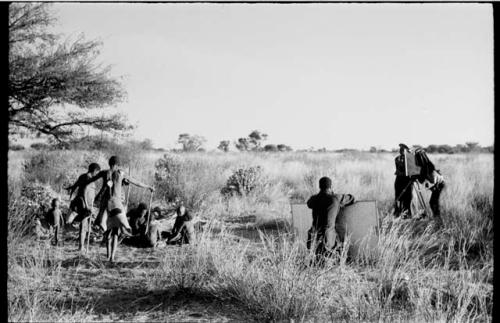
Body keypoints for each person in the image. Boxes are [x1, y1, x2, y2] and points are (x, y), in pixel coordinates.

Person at [85, 156, 154, 262]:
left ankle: (108, 256)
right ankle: (112, 257)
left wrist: (79, 185)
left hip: (105, 205)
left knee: (107, 231)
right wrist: (148, 187)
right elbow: (136, 182)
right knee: (115, 232)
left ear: (109, 163)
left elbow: (90, 180)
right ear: (117, 165)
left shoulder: (104, 173)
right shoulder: (120, 173)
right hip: (116, 205)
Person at [306, 177, 355, 262]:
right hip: (329, 237)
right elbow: (351, 198)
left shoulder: (314, 199)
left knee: (317, 261)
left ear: (319, 186)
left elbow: (309, 203)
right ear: (330, 187)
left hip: (314, 236)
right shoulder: (335, 198)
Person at [65, 162, 101, 252]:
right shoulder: (89, 178)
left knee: (83, 225)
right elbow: (84, 191)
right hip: (83, 204)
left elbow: (76, 185)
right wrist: (85, 204)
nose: (97, 174)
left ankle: (81, 246)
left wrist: (71, 190)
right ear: (95, 171)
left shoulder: (83, 176)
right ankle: (81, 247)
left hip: (80, 202)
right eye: (97, 172)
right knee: (83, 225)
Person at [394, 143, 413, 218]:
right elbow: (399, 170)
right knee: (398, 197)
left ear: (406, 150)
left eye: (403, 149)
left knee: (408, 197)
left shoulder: (410, 158)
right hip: (399, 179)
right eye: (400, 149)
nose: (401, 151)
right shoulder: (397, 158)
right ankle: (398, 213)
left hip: (408, 180)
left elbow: (412, 170)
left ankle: (407, 213)